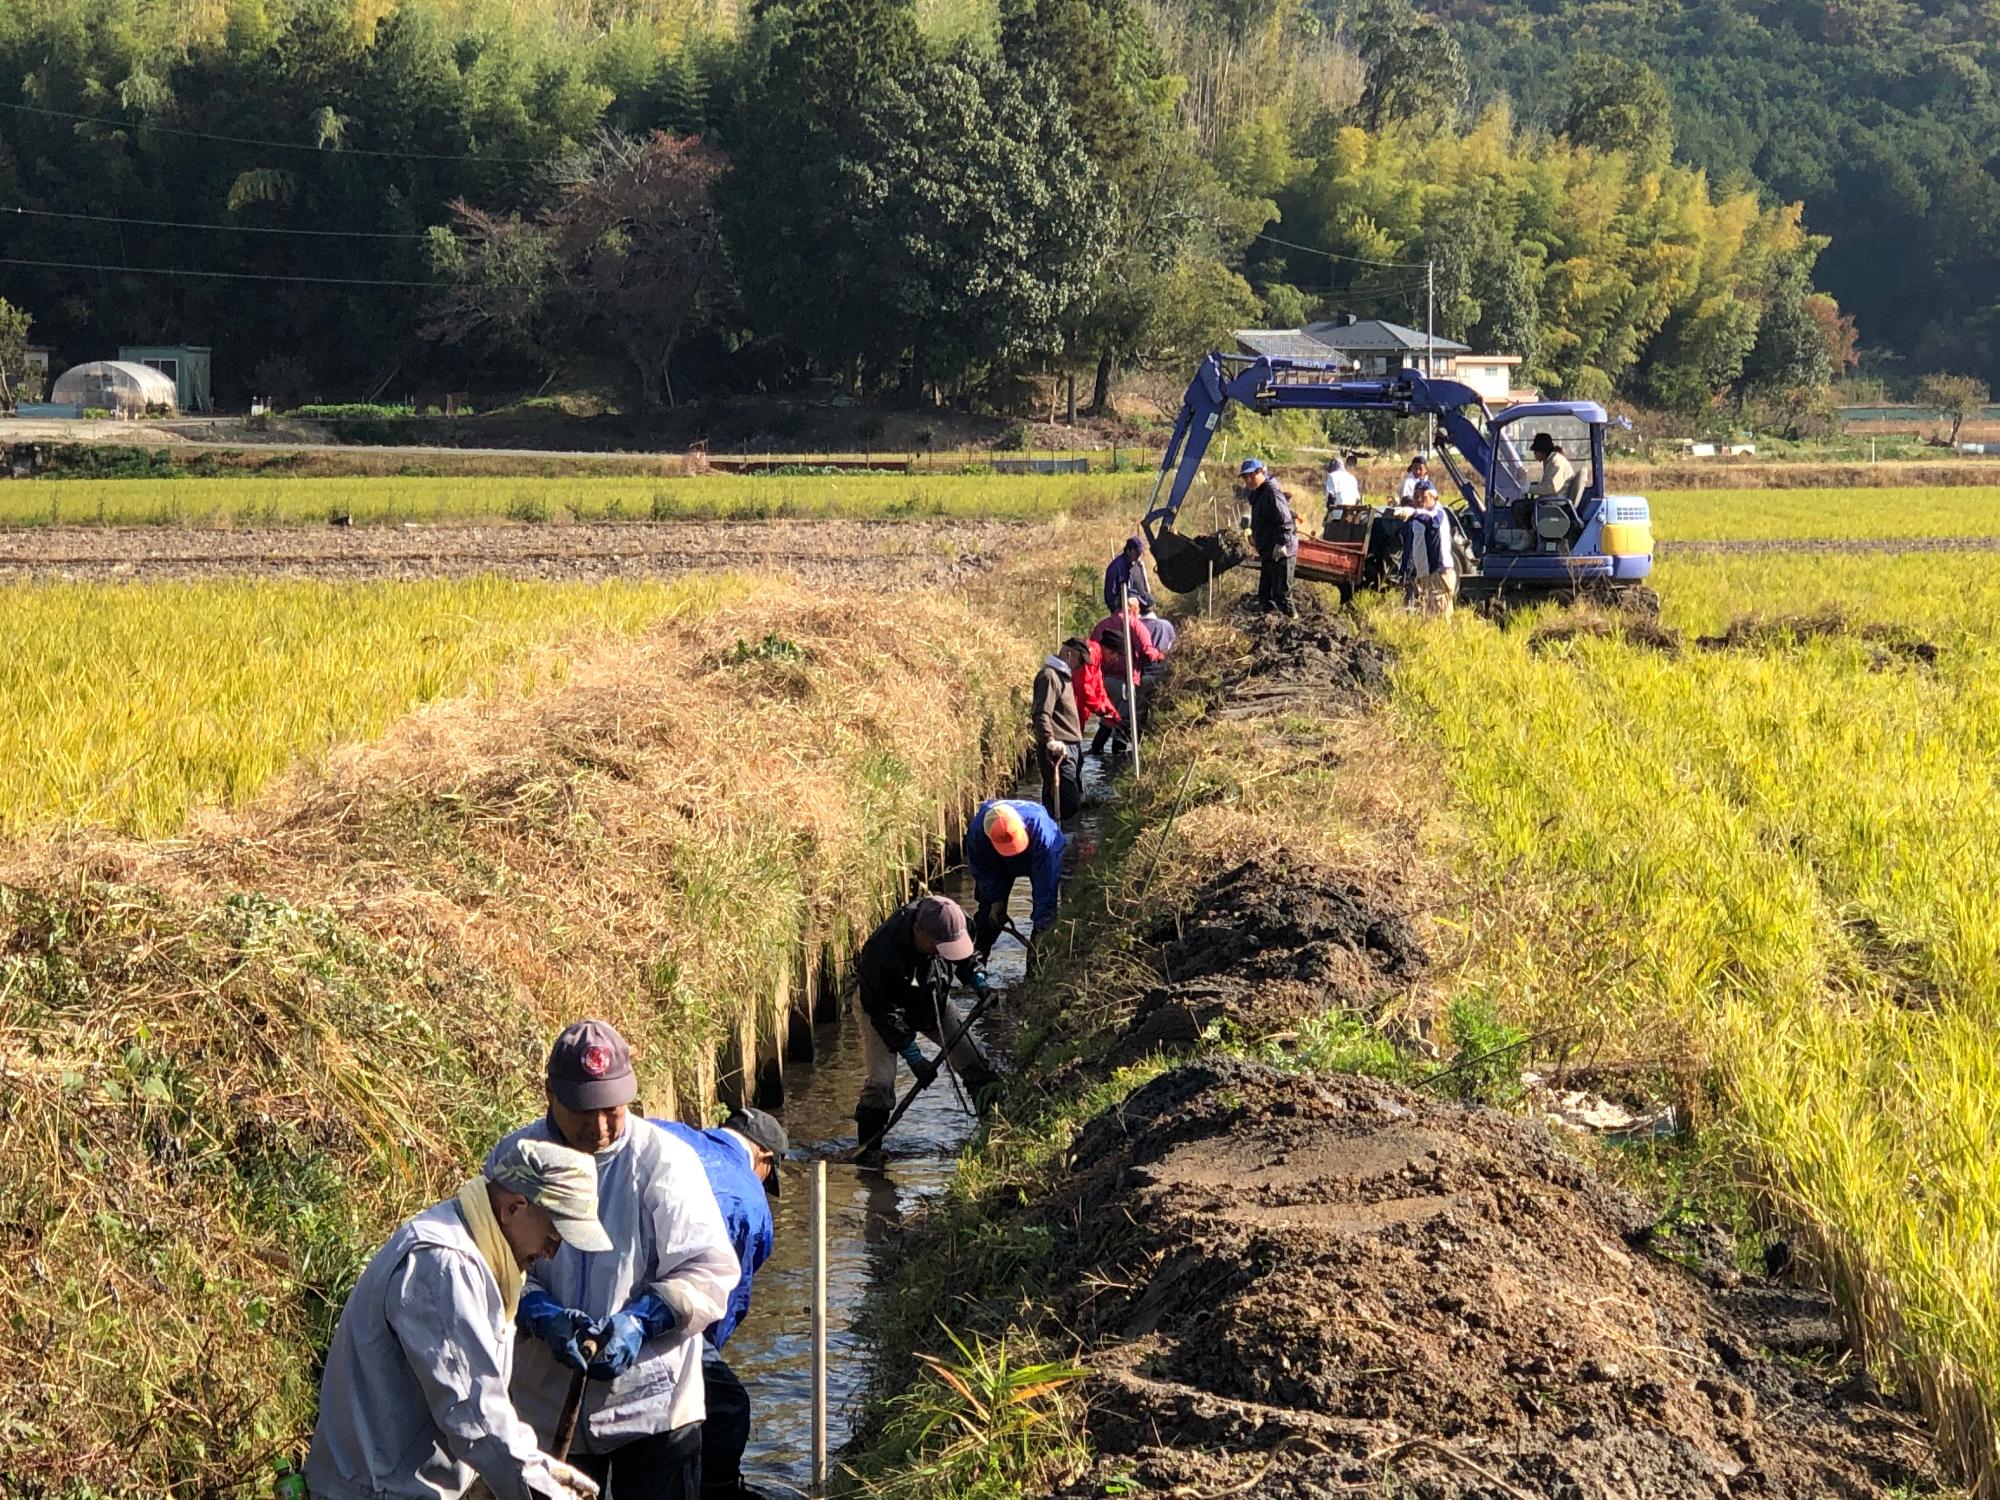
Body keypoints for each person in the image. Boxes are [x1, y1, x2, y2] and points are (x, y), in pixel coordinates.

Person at [495, 1022, 742, 1500]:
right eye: (583, 1111)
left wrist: (644, 1320)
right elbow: (491, 1261)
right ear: (550, 1094)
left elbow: (710, 1269)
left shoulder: (665, 1161)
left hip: (656, 1408)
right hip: (544, 1403)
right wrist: (536, 1309)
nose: (601, 1128)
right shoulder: (516, 1159)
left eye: (612, 1109)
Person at [306, 1136, 611, 1500]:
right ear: (514, 1208)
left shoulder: (480, 1255)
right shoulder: (443, 1265)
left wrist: (539, 1466)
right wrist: (542, 1487)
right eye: (553, 1234)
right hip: (376, 1491)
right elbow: (474, 1415)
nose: (551, 1252)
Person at [652, 1109, 787, 1500]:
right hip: (667, 1308)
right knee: (727, 1405)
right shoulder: (750, 1201)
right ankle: (718, 1492)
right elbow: (726, 1299)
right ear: (764, 1158)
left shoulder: (666, 1132)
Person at [853, 894, 1002, 1151]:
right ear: (918, 931)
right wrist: (914, 1057)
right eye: (938, 945)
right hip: (881, 1009)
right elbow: (883, 1013)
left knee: (975, 1063)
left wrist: (980, 982)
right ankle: (868, 1154)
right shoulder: (881, 952)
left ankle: (995, 1133)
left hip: (933, 1000)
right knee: (881, 1083)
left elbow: (966, 957)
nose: (943, 951)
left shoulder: (957, 923)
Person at [963, 799, 1065, 962]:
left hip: (1036, 852)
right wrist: (996, 900)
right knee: (988, 917)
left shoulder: (1043, 833)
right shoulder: (977, 834)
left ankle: (1038, 965)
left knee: (1045, 915)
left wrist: (1042, 926)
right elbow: (982, 870)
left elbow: (1046, 885)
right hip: (996, 860)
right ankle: (973, 967)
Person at [1030, 637, 1088, 822]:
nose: (1080, 666)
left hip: (1071, 748)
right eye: (1080, 661)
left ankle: (1059, 843)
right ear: (1070, 655)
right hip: (1058, 751)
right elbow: (1041, 713)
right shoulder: (1049, 677)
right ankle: (1066, 846)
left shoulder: (1063, 678)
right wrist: (1049, 740)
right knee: (1067, 805)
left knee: (1062, 800)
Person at [1090, 599, 1160, 749]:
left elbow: (1092, 652)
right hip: (1124, 681)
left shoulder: (1102, 625)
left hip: (1102, 681)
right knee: (1123, 723)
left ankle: (1095, 753)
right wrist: (1160, 655)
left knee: (1107, 720)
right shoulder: (1135, 625)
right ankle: (1116, 761)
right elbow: (1147, 652)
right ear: (1133, 609)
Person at [1240, 457, 1297, 618]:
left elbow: (1285, 520)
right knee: (1264, 594)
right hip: (1269, 550)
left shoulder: (1271, 491)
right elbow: (1259, 517)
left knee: (1282, 595)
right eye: (1245, 478)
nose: (1248, 481)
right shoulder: (1257, 493)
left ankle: (1293, 623)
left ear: (1260, 472)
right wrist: (1254, 534)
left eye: (1250, 476)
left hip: (1281, 551)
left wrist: (1281, 544)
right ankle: (1270, 623)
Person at [1398, 481, 1456, 618]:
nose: (1419, 500)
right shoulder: (1419, 519)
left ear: (1435, 498)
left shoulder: (1438, 514)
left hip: (1439, 572)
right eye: (1416, 496)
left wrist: (1413, 513)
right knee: (1429, 615)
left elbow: (1430, 519)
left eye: (1424, 497)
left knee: (1440, 616)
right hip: (1426, 575)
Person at [1078, 636, 1123, 759]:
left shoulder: (1097, 658)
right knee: (1071, 758)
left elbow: (1099, 690)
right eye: (1116, 655)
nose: (1115, 659)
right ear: (1109, 650)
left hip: (1078, 711)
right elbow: (1085, 687)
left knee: (1075, 756)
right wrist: (1101, 711)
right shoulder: (1091, 654)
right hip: (1072, 710)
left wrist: (1113, 714)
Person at [1102, 535, 1154, 614]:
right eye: (1137, 553)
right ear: (1129, 550)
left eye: (1140, 553)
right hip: (1123, 612)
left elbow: (1143, 588)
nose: (1138, 556)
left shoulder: (1138, 565)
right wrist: (1117, 610)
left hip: (1139, 610)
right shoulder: (1116, 567)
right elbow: (1110, 594)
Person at [1527, 432, 1577, 498]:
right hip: (1549, 500)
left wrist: (1527, 489)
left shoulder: (1557, 462)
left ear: (1542, 451)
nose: (1534, 454)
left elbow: (1551, 488)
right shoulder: (1550, 461)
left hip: (1555, 503)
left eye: (1535, 451)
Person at [1324, 453, 1360, 517]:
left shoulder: (1332, 476)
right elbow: (1357, 499)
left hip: (1338, 512)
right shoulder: (1352, 478)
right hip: (1351, 513)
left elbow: (1331, 497)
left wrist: (1328, 514)